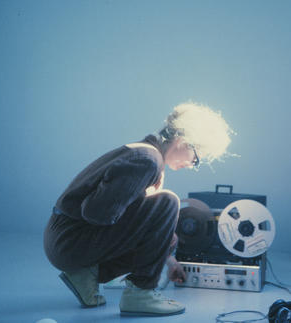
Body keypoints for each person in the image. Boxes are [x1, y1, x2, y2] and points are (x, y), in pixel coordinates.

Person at [43, 101, 233, 316]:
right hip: (68, 242)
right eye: (196, 159)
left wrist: (167, 259)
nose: (192, 165)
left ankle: (87, 276)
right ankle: (141, 293)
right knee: (168, 202)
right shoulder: (147, 160)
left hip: (65, 238)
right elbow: (95, 213)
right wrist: (144, 211)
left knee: (169, 236)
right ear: (184, 141)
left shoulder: (144, 154)